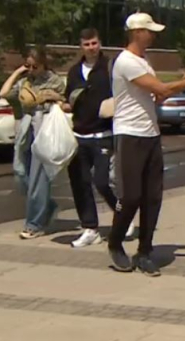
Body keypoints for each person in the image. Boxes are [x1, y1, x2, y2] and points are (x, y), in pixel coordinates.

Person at [107, 12, 185, 277]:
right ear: (136, 32)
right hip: (129, 135)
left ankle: (145, 251)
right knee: (130, 197)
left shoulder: (144, 61)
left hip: (150, 134)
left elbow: (156, 96)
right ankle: (115, 243)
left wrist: (179, 84)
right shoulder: (126, 61)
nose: (153, 35)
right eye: (149, 30)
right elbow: (160, 90)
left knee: (152, 197)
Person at [63, 28, 132, 248]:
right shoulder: (74, 72)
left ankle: (122, 214)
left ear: (99, 43)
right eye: (86, 44)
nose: (91, 48)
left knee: (101, 181)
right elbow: (69, 101)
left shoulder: (110, 68)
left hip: (103, 133)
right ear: (81, 47)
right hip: (79, 134)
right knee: (80, 183)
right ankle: (90, 228)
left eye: (94, 43)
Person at [0, 48, 66, 240]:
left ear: (44, 64)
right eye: (28, 65)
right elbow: (4, 93)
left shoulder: (54, 81)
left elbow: (65, 101)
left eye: (35, 66)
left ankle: (34, 224)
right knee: (21, 174)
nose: (31, 70)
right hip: (25, 132)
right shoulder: (25, 81)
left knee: (38, 180)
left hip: (43, 130)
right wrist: (18, 72)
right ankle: (48, 206)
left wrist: (53, 98)